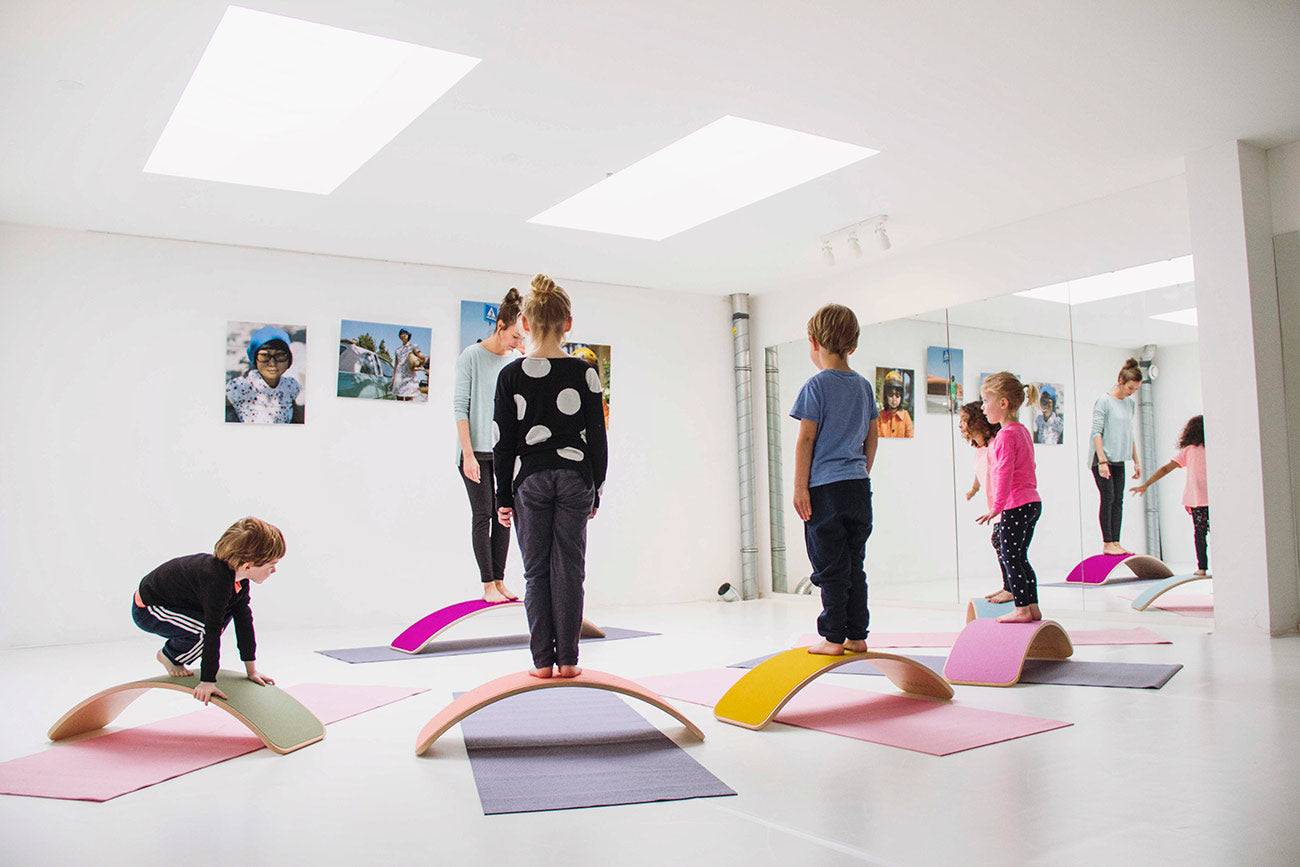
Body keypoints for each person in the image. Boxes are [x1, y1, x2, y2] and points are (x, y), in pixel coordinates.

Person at [493, 274, 608, 679]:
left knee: (535, 572)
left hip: (531, 479)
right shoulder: (584, 372)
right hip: (576, 475)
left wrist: (502, 497)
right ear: (568, 324)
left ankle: (542, 662)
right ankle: (569, 661)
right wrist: (597, 489)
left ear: (524, 324)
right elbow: (597, 435)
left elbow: (503, 442)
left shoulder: (510, 376)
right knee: (570, 569)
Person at [790, 304, 880, 656]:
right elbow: (872, 437)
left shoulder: (816, 385)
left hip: (825, 490)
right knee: (854, 563)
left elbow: (806, 439)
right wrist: (861, 471)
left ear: (814, 342)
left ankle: (832, 638)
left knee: (830, 566)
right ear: (852, 345)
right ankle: (857, 634)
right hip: (857, 488)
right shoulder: (863, 386)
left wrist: (800, 487)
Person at [131, 517, 283, 704]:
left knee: (229, 611)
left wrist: (251, 671)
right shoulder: (216, 581)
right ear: (247, 566)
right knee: (206, 628)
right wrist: (207, 681)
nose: (274, 571)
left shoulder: (239, 581)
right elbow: (211, 630)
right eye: (271, 566)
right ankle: (169, 655)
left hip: (182, 603)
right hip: (150, 608)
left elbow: (244, 622)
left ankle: (175, 653)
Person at [454, 290, 525, 603]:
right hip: (474, 454)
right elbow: (460, 407)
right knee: (482, 515)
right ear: (500, 326)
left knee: (503, 515)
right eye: (514, 335)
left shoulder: (513, 363)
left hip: (503, 454)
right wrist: (467, 454)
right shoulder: (471, 355)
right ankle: (486, 586)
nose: (516, 342)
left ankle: (499, 580)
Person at [977, 372, 1043, 623]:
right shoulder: (1022, 431)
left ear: (1003, 403)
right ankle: (1033, 606)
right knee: (1020, 556)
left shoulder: (1005, 435)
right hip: (1032, 502)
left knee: (1010, 556)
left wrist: (997, 506)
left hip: (1016, 504)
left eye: (986, 401)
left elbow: (1003, 472)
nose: (983, 408)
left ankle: (1022, 608)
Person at [1130, 415, 1210, 575]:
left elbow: (1166, 469)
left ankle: (1202, 568)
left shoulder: (1188, 451)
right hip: (1210, 498)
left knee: (1200, 533)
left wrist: (1146, 484)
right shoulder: (1207, 449)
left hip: (1198, 500)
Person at [959, 401, 1010, 603]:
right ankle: (1008, 585)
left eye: (964, 420)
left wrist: (1000, 505)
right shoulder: (981, 449)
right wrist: (974, 489)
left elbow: (1003, 473)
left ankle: (1011, 588)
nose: (961, 425)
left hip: (1006, 505)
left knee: (1003, 544)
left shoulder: (995, 445)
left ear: (979, 422)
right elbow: (980, 473)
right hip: (997, 508)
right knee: (1000, 543)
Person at [1091, 359, 1143, 554]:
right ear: (1121, 380)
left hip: (1120, 459)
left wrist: (1137, 461)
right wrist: (1102, 460)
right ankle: (1107, 543)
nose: (1132, 392)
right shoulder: (1104, 401)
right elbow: (1096, 432)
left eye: (1136, 389)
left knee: (1118, 500)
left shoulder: (1129, 404)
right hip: (1102, 460)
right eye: (1130, 387)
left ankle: (1115, 542)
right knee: (1108, 497)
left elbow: (1129, 435)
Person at [226, 326, 301, 423]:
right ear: (255, 359)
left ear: (289, 360)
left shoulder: (291, 385)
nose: (272, 363)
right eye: (264, 356)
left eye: (280, 355)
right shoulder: (239, 386)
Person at [391, 328, 426, 402]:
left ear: (408, 335)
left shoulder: (413, 346)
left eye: (405, 333)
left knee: (409, 399)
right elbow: (396, 365)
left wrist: (419, 367)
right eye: (401, 334)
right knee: (399, 399)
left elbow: (423, 358)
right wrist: (393, 378)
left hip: (410, 377)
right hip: (399, 376)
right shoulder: (397, 350)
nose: (402, 335)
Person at [877, 369, 913, 438]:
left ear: (901, 397)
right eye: (890, 395)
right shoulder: (879, 416)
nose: (894, 399)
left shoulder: (906, 416)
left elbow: (910, 437)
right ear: (886, 396)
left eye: (897, 395)